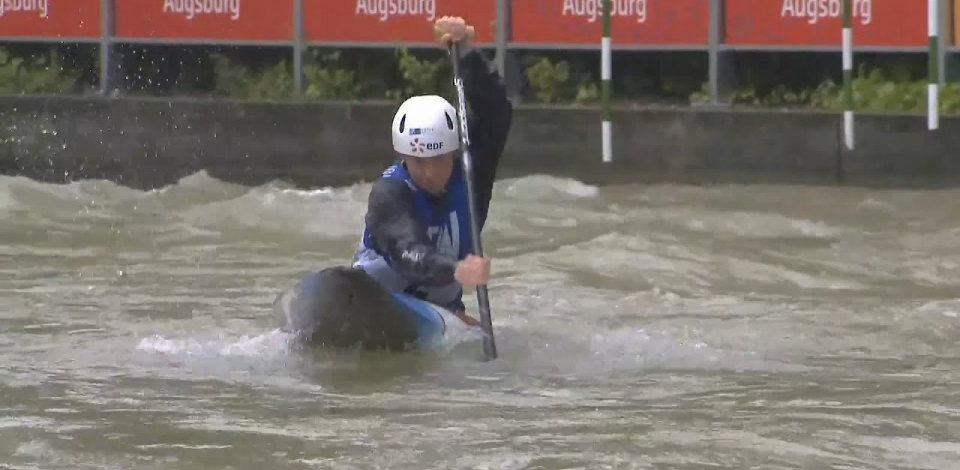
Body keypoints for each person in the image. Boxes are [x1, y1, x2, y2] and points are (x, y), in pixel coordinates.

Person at [351, 16, 513, 327]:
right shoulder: (389, 193)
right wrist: (457, 270)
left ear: (453, 151)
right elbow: (407, 252)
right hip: (376, 300)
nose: (427, 172)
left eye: (438, 159)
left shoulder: (471, 178)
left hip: (440, 316)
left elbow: (497, 113)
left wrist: (466, 54)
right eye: (417, 161)